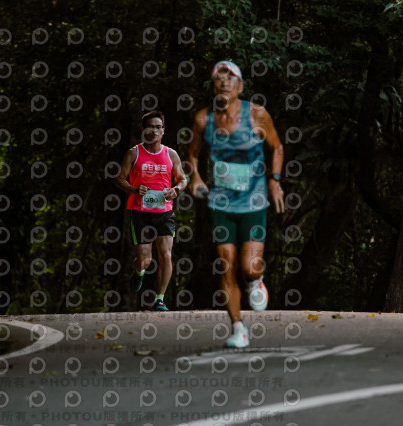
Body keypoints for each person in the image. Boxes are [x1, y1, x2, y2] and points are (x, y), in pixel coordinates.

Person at [187, 60, 285, 348]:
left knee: (249, 267)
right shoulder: (203, 119)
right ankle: (238, 327)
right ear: (212, 87)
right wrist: (195, 177)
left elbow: (277, 147)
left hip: (253, 201)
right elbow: (192, 154)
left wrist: (274, 181)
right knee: (226, 265)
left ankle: (256, 280)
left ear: (240, 87)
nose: (224, 83)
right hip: (220, 203)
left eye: (230, 79)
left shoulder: (256, 114)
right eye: (219, 79)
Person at [115, 110, 188, 311]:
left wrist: (176, 190)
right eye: (150, 127)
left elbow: (183, 179)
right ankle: (139, 271)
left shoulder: (171, 154)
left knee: (166, 256)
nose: (154, 131)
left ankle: (160, 299)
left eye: (158, 127)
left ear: (163, 131)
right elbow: (119, 179)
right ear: (143, 130)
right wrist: (134, 189)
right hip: (140, 212)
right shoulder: (134, 153)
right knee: (145, 260)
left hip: (164, 212)